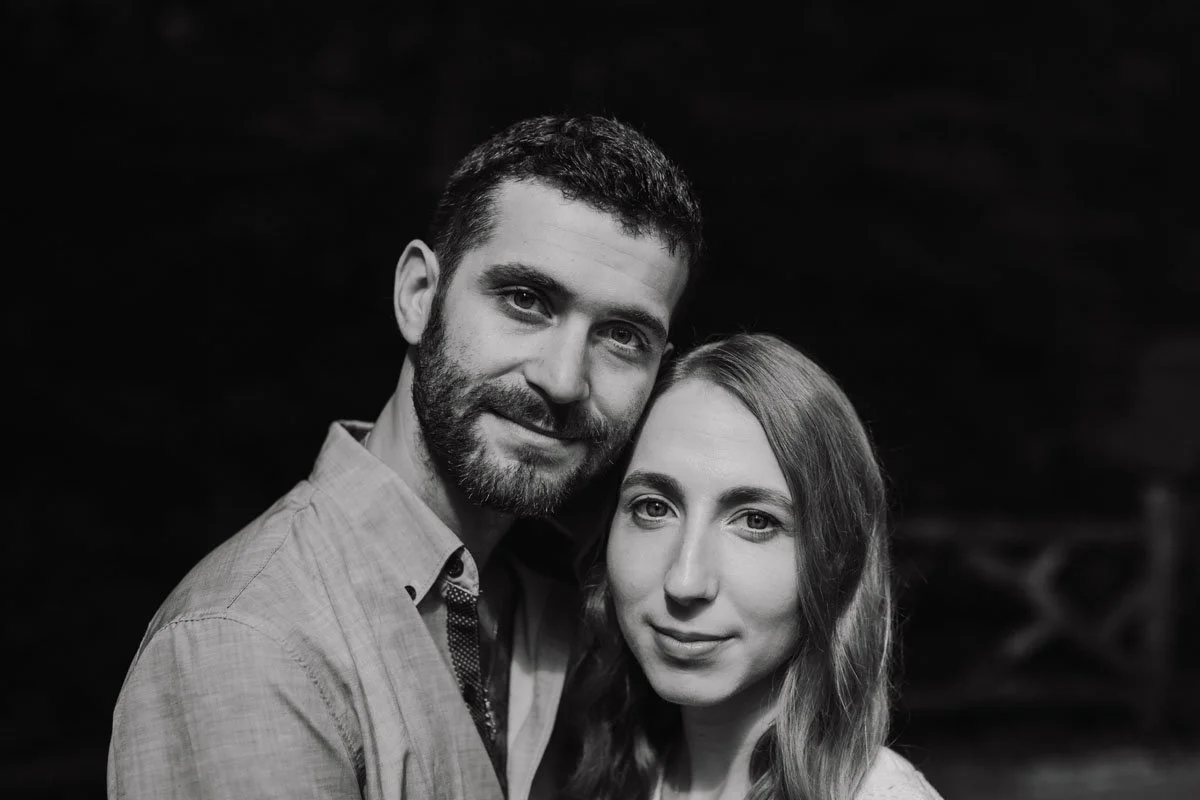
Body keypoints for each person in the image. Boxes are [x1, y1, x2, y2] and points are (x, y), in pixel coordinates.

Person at [107, 114, 703, 800]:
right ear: (419, 296)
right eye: (526, 300)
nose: (564, 380)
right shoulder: (248, 640)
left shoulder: (585, 604)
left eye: (623, 336)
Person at [563, 333, 944, 800]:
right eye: (654, 508)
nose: (685, 581)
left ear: (835, 560)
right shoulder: (610, 773)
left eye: (756, 521)